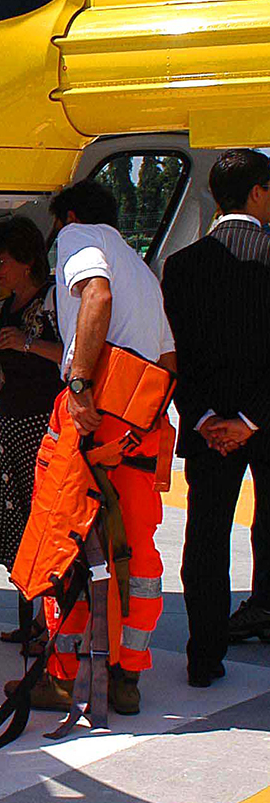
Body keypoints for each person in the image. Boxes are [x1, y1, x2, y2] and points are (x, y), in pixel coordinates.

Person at [28, 179, 176, 715]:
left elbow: (95, 294)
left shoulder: (79, 237)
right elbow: (168, 358)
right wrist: (145, 423)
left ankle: (63, 675)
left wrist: (82, 384)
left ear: (67, 216)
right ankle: (127, 675)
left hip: (92, 416)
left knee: (64, 541)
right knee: (135, 552)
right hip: (139, 422)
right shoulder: (143, 271)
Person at [162, 149, 270, 686]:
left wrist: (205, 417)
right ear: (257, 193)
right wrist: (252, 418)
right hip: (265, 420)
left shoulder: (181, 266)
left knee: (206, 538)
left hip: (206, 426)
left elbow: (177, 353)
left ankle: (204, 657)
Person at [0, 217, 64, 648]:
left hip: (41, 424)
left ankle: (49, 623)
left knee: (42, 522)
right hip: (13, 419)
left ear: (27, 261)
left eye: (1, 261)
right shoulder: (12, 304)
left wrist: (25, 342)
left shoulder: (55, 299)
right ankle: (31, 619)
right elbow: (13, 371)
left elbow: (71, 356)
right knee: (20, 522)